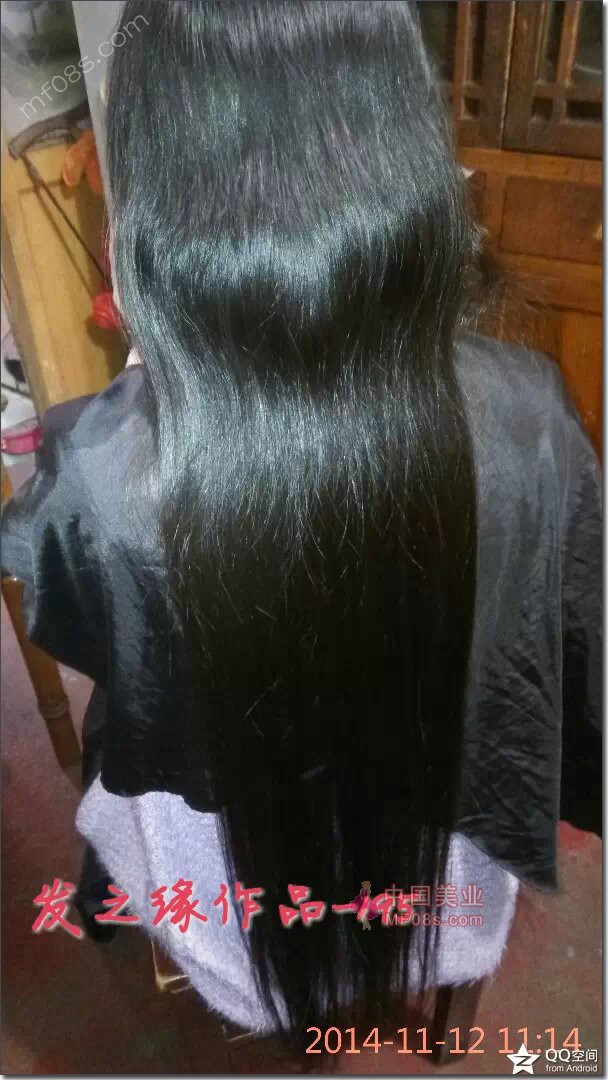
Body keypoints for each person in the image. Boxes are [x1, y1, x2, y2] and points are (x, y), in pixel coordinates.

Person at [1, 0, 600, 1054]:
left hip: (222, 876)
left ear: (162, 189)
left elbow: (103, 652)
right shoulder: (529, 414)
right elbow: (565, 641)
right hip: (445, 844)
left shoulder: (97, 467)